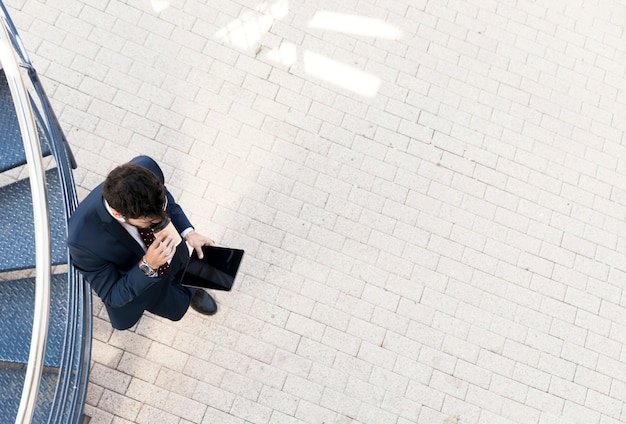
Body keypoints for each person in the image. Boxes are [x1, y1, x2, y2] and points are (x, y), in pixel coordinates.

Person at [68, 155, 218, 330]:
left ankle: (193, 289)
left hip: (175, 252)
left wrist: (189, 232)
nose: (163, 221)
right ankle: (185, 294)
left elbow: (166, 202)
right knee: (176, 309)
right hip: (147, 283)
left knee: (188, 268)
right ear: (119, 214)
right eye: (149, 223)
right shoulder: (83, 242)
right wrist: (148, 265)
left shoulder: (147, 168)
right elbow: (112, 295)